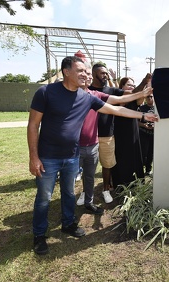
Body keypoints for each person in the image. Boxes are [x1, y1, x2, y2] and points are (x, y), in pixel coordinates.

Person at [27, 56, 158, 255]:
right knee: (44, 197)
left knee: (69, 193)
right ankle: (39, 235)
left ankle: (68, 224)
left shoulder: (86, 97)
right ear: (66, 71)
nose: (85, 75)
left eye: (87, 72)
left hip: (72, 156)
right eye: (81, 71)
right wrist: (34, 157)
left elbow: (116, 108)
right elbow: (33, 125)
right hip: (48, 157)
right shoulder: (46, 92)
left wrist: (142, 115)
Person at [77, 59, 153, 210]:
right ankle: (85, 192)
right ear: (93, 74)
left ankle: (106, 189)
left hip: (107, 135)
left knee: (107, 164)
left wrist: (145, 82)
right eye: (102, 73)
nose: (105, 76)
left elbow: (129, 95)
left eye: (106, 73)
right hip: (88, 137)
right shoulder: (87, 91)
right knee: (87, 167)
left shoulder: (110, 91)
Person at [112, 76, 147, 188]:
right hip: (120, 131)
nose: (131, 87)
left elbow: (141, 97)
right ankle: (121, 183)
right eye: (129, 85)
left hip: (133, 131)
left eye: (133, 85)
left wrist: (147, 85)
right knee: (121, 156)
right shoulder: (117, 98)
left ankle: (136, 182)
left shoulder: (134, 100)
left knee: (134, 155)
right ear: (122, 86)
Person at [138, 94, 155, 176]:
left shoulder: (157, 108)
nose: (150, 98)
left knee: (151, 153)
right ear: (145, 98)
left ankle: (148, 169)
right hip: (143, 133)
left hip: (154, 135)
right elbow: (136, 122)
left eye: (151, 96)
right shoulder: (141, 108)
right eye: (148, 97)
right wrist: (144, 125)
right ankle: (140, 170)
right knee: (143, 152)